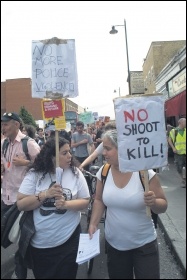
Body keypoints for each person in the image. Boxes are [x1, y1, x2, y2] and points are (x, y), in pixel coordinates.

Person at [88, 129, 168, 279]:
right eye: (103, 148)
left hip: (144, 245)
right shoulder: (103, 172)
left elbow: (163, 205)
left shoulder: (144, 173)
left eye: (108, 148)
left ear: (122, 148)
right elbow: (98, 200)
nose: (103, 153)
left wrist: (154, 202)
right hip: (115, 245)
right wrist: (93, 223)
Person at [16, 136, 90, 279]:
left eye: (70, 152)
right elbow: (21, 204)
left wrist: (66, 204)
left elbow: (85, 200)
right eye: (64, 153)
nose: (70, 156)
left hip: (69, 241)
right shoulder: (35, 175)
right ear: (51, 157)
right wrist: (44, 195)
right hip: (40, 245)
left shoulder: (75, 173)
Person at [1, 112, 40, 279]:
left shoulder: (29, 144)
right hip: (6, 197)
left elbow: (43, 166)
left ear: (16, 124)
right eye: (2, 125)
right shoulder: (3, 144)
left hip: (23, 200)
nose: (3, 127)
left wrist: (25, 163)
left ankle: (20, 272)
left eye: (6, 124)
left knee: (22, 240)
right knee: (7, 235)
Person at [168, 117, 186, 187]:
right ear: (180, 123)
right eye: (185, 122)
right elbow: (169, 140)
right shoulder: (174, 131)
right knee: (179, 167)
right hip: (178, 153)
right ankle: (183, 180)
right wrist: (173, 148)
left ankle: (185, 178)